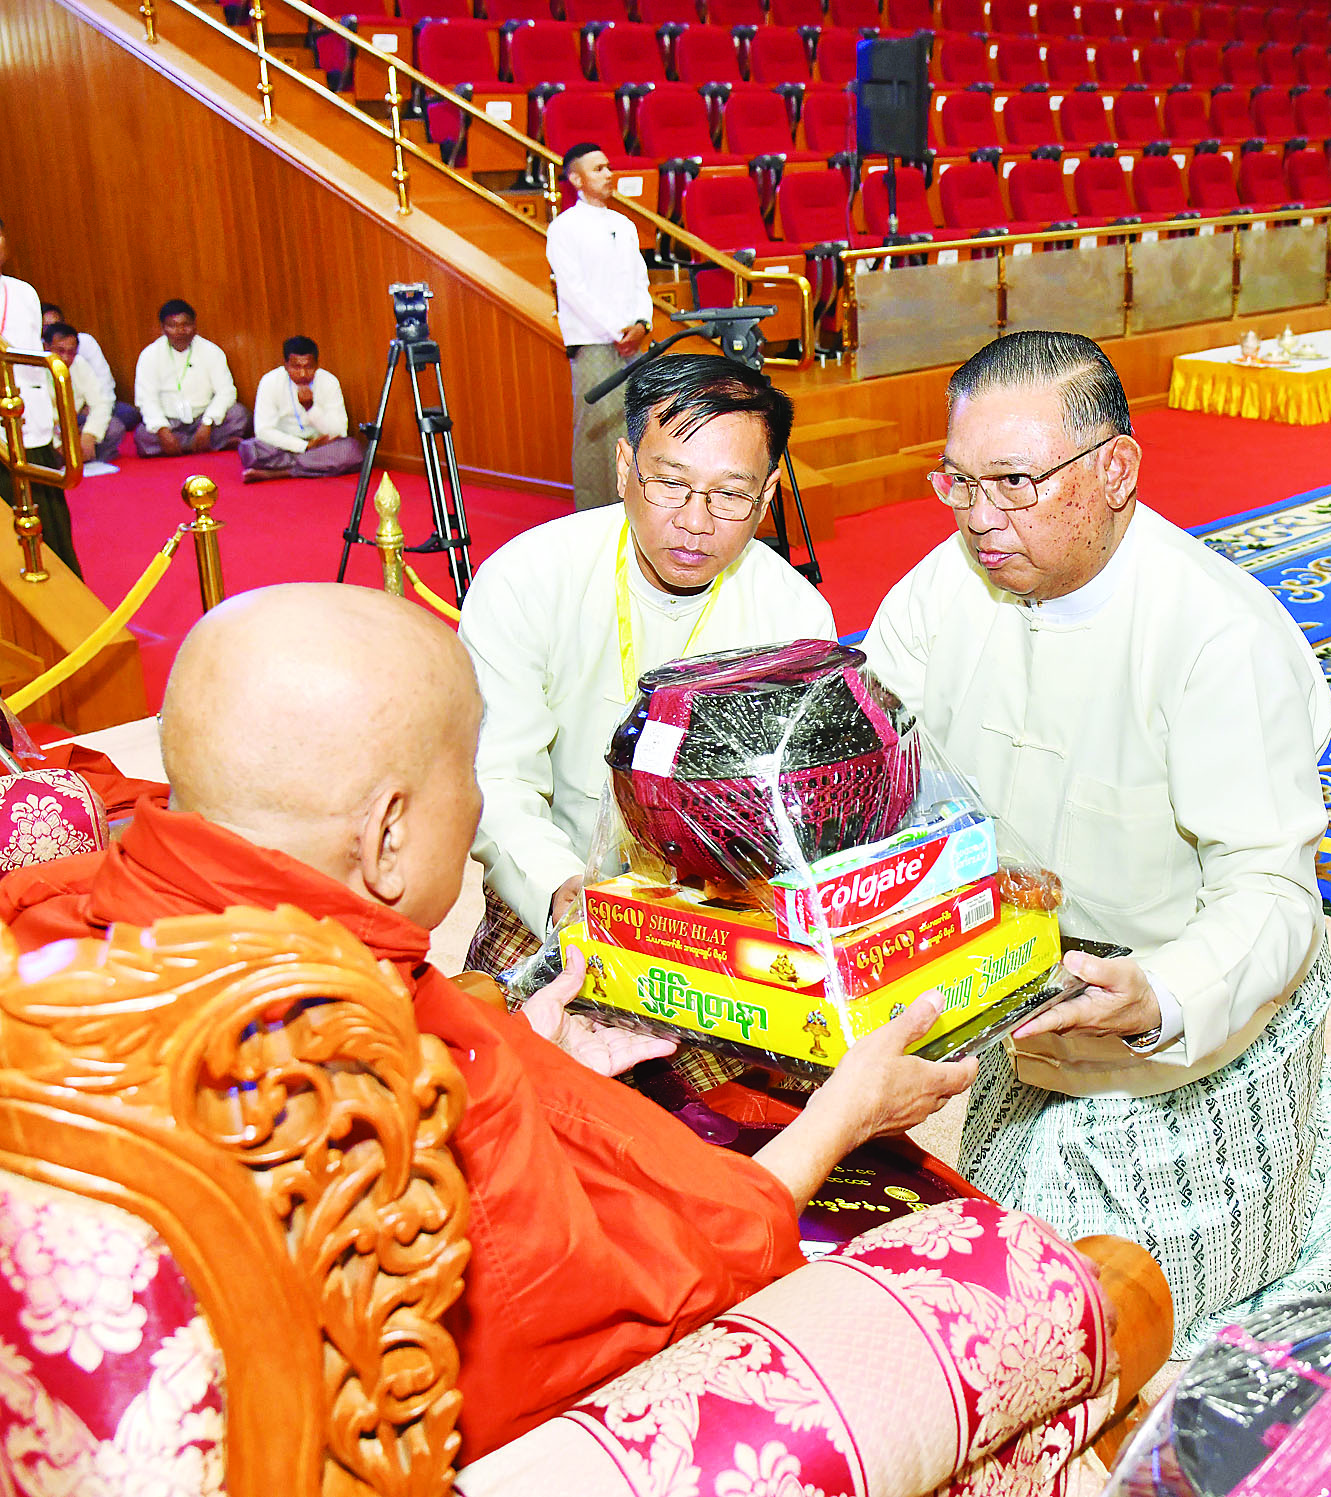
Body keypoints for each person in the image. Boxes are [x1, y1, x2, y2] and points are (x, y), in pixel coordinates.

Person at [0, 582, 980, 1461]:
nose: (476, 807)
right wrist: (843, 1115)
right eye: (465, 773)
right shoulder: (389, 1121)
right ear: (387, 835)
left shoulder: (44, 912)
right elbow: (675, 1287)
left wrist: (521, 1041)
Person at [863, 329, 1331, 1358]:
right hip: (1021, 986)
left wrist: (1161, 994)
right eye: (959, 483)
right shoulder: (943, 589)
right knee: (969, 1263)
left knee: (1107, 1304)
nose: (980, 517)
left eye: (1015, 482)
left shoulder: (1218, 636)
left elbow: (1270, 892)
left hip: (1178, 1003)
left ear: (1117, 469)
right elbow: (876, 765)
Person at [457, 353, 835, 999]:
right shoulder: (528, 578)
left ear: (768, 494)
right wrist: (561, 890)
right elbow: (495, 776)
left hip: (721, 907)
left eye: (730, 494)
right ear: (624, 466)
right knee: (500, 1042)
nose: (695, 521)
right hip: (557, 888)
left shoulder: (794, 616)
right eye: (669, 483)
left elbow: (794, 806)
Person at [545, 141, 653, 511]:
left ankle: (634, 505)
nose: (609, 174)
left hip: (631, 341)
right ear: (576, 179)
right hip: (594, 341)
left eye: (608, 167)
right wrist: (616, 331)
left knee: (635, 425)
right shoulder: (564, 228)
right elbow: (574, 290)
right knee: (596, 429)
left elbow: (640, 281)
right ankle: (592, 512)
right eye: (598, 169)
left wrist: (642, 323)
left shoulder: (624, 224)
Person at [0, 219, 80, 577]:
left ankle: (69, 595)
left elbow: (35, 360)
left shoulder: (22, 293)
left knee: (50, 523)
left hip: (28, 423)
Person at [238, 335, 365, 483]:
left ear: (317, 365)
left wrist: (311, 408)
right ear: (286, 365)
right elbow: (263, 430)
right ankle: (306, 466)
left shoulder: (329, 382)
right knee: (251, 449)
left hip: (321, 447)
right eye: (296, 367)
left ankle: (281, 472)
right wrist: (303, 446)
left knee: (352, 450)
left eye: (308, 367)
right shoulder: (270, 381)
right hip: (283, 445)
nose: (303, 374)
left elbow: (340, 430)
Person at [133, 298, 249, 457]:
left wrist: (208, 423)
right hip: (170, 422)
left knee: (240, 414)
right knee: (143, 435)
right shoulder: (149, 355)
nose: (180, 331)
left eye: (186, 325)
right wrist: (162, 430)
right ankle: (212, 443)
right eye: (173, 326)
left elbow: (226, 392)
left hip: (204, 417)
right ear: (163, 328)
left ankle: (186, 445)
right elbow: (146, 399)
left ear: (195, 326)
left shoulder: (211, 351)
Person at [40, 301, 141, 435]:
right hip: (53, 422)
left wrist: (90, 429)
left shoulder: (82, 347)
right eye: (47, 327)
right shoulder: (36, 358)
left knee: (125, 417)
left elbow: (104, 387)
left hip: (85, 408)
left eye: (57, 324)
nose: (65, 357)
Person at [42, 322, 125, 463]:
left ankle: (87, 458)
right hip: (47, 433)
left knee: (114, 427)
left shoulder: (79, 363)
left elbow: (101, 402)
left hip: (73, 425)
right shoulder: (34, 369)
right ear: (46, 347)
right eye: (60, 351)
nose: (66, 358)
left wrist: (89, 434)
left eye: (71, 352)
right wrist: (58, 444)